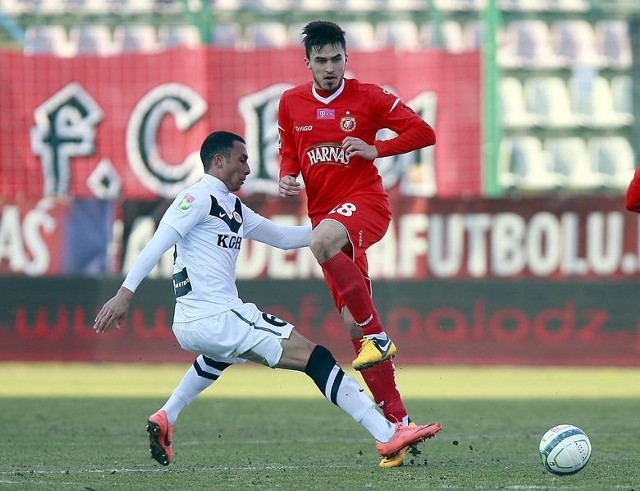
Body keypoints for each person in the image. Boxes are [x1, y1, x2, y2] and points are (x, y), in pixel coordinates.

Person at [93, 130, 442, 467]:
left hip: (199, 323)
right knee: (316, 358)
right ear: (218, 161)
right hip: (217, 316)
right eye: (242, 160)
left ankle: (167, 415)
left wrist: (340, 229)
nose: (247, 169)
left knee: (218, 357)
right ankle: (387, 433)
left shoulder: (233, 207)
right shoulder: (197, 197)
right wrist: (124, 294)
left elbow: (284, 237)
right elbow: (158, 242)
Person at [276, 20, 437, 467]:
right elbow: (290, 147)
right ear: (307, 62)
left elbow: (424, 132)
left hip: (364, 206)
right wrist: (288, 173)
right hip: (327, 217)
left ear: (347, 59)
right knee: (354, 329)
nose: (329, 68)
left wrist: (375, 150)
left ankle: (381, 338)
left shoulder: (369, 97)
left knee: (321, 240)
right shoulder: (290, 102)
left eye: (336, 59)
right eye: (321, 60)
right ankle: (399, 426)